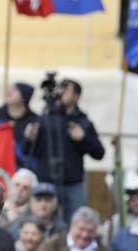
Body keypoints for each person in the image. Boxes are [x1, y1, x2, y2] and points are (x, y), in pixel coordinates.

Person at [23, 78, 104, 220]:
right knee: (41, 222)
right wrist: (29, 139)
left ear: (76, 96)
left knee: (76, 221)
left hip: (73, 184)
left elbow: (99, 153)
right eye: (60, 88)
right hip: (46, 183)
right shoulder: (45, 118)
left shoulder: (82, 121)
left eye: (66, 90)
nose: (60, 92)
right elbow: (27, 152)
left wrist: (83, 138)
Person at [0, 83, 40, 169]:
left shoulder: (34, 121)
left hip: (22, 169)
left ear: (24, 97)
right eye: (10, 88)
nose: (9, 91)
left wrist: (29, 139)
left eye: (15, 89)